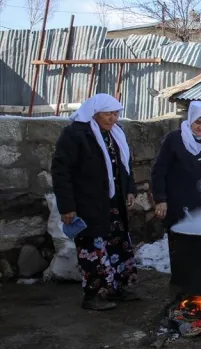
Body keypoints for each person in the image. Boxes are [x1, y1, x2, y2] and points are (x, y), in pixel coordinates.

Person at [51, 93, 139, 311]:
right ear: (94, 113)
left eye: (116, 114)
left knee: (117, 245)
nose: (113, 119)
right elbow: (61, 171)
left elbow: (124, 166)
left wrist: (129, 189)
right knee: (93, 249)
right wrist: (67, 206)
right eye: (108, 114)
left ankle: (117, 288)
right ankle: (93, 295)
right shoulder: (76, 134)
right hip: (88, 203)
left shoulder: (116, 134)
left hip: (113, 203)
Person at [151, 101, 201, 230]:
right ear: (191, 119)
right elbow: (159, 170)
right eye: (198, 122)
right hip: (177, 203)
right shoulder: (175, 139)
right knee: (179, 242)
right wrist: (160, 199)